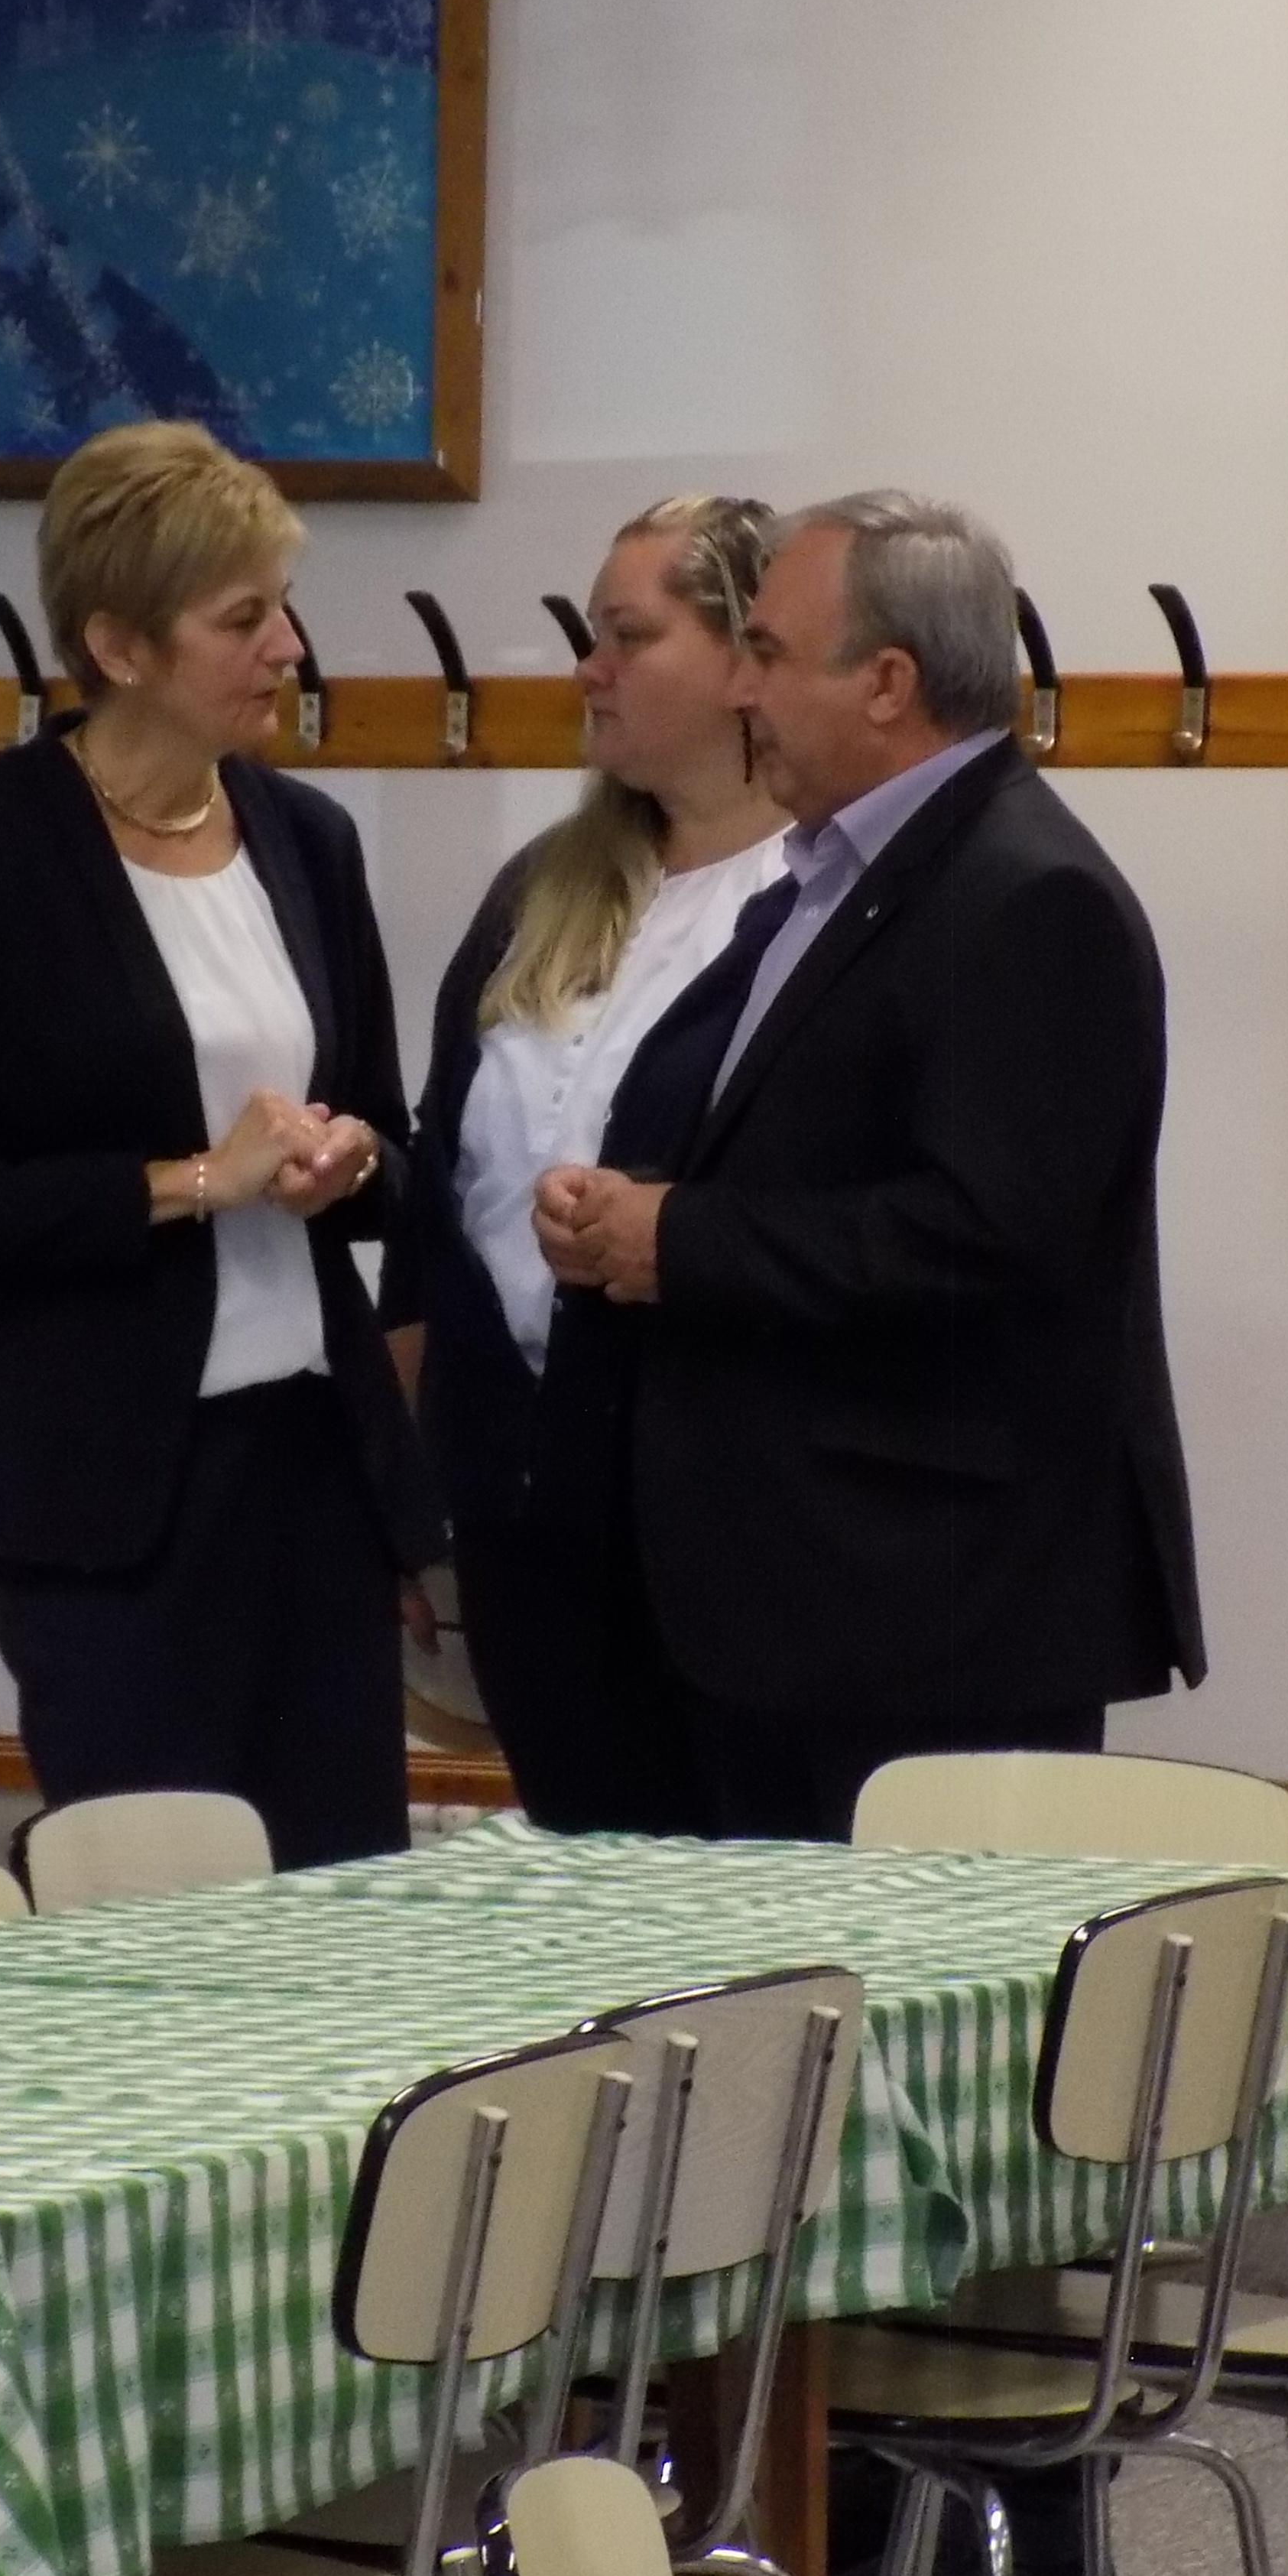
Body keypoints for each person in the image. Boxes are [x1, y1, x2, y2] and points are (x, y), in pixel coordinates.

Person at [534, 492, 1203, 1843]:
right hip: (794, 1608)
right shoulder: (836, 879)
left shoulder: (1030, 897)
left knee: (903, 1988)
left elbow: (990, 1239)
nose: (741, 690)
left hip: (927, 1618)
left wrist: (679, 1241)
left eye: (770, 654)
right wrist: (629, 1210)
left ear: (889, 683)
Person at [0, 421, 436, 1867]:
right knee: (161, 1921)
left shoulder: (308, 837)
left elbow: (392, 1139)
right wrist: (190, 1183)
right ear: (117, 645)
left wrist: (352, 1163)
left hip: (315, 1467)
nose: (288, 647)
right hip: (107, 1496)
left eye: (284, 607)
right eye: (244, 619)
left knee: (345, 1907)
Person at [388, 495, 787, 1834]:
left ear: (744, 659)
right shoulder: (541, 889)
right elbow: (439, 1195)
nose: (589, 671)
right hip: (518, 1516)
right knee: (588, 1877)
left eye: (629, 636)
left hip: (722, 1520)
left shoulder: (818, 901)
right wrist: (403, 1488)